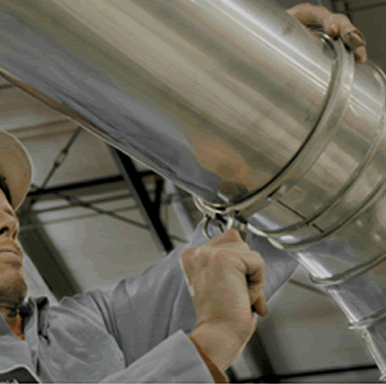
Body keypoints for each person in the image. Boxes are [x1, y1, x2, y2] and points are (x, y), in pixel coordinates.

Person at [0, 3, 367, 383]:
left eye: (5, 198)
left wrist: (281, 87)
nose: (8, 216)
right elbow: (215, 324)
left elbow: (245, 238)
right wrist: (213, 340)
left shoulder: (79, 329)